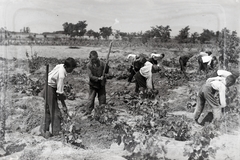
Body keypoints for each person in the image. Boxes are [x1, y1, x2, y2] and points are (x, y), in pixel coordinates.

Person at [40, 57, 77, 137]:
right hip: (49, 89)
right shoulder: (61, 75)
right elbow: (60, 93)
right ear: (66, 67)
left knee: (48, 110)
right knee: (55, 112)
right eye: (71, 68)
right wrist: (64, 105)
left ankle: (43, 130)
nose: (72, 70)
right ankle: (56, 133)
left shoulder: (61, 65)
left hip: (48, 86)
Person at [84, 50, 109, 115]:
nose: (94, 60)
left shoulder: (102, 63)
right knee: (91, 99)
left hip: (101, 85)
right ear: (90, 58)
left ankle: (102, 112)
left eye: (95, 59)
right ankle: (88, 111)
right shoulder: (89, 65)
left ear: (97, 57)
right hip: (93, 85)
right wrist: (98, 78)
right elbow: (90, 76)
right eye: (92, 59)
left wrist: (107, 65)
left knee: (102, 99)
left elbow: (106, 71)